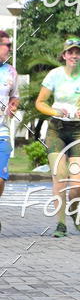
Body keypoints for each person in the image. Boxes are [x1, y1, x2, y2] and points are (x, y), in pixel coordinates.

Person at [35, 38, 80, 237]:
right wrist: (54, 111)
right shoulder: (54, 75)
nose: (74, 55)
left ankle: (73, 210)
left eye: (77, 52)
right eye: (70, 52)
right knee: (60, 176)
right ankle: (61, 223)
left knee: (77, 185)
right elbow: (40, 102)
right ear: (64, 55)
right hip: (56, 129)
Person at [0, 31, 20, 233]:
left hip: (1, 132)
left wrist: (13, 106)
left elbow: (15, 97)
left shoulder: (11, 72)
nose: (10, 49)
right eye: (7, 45)